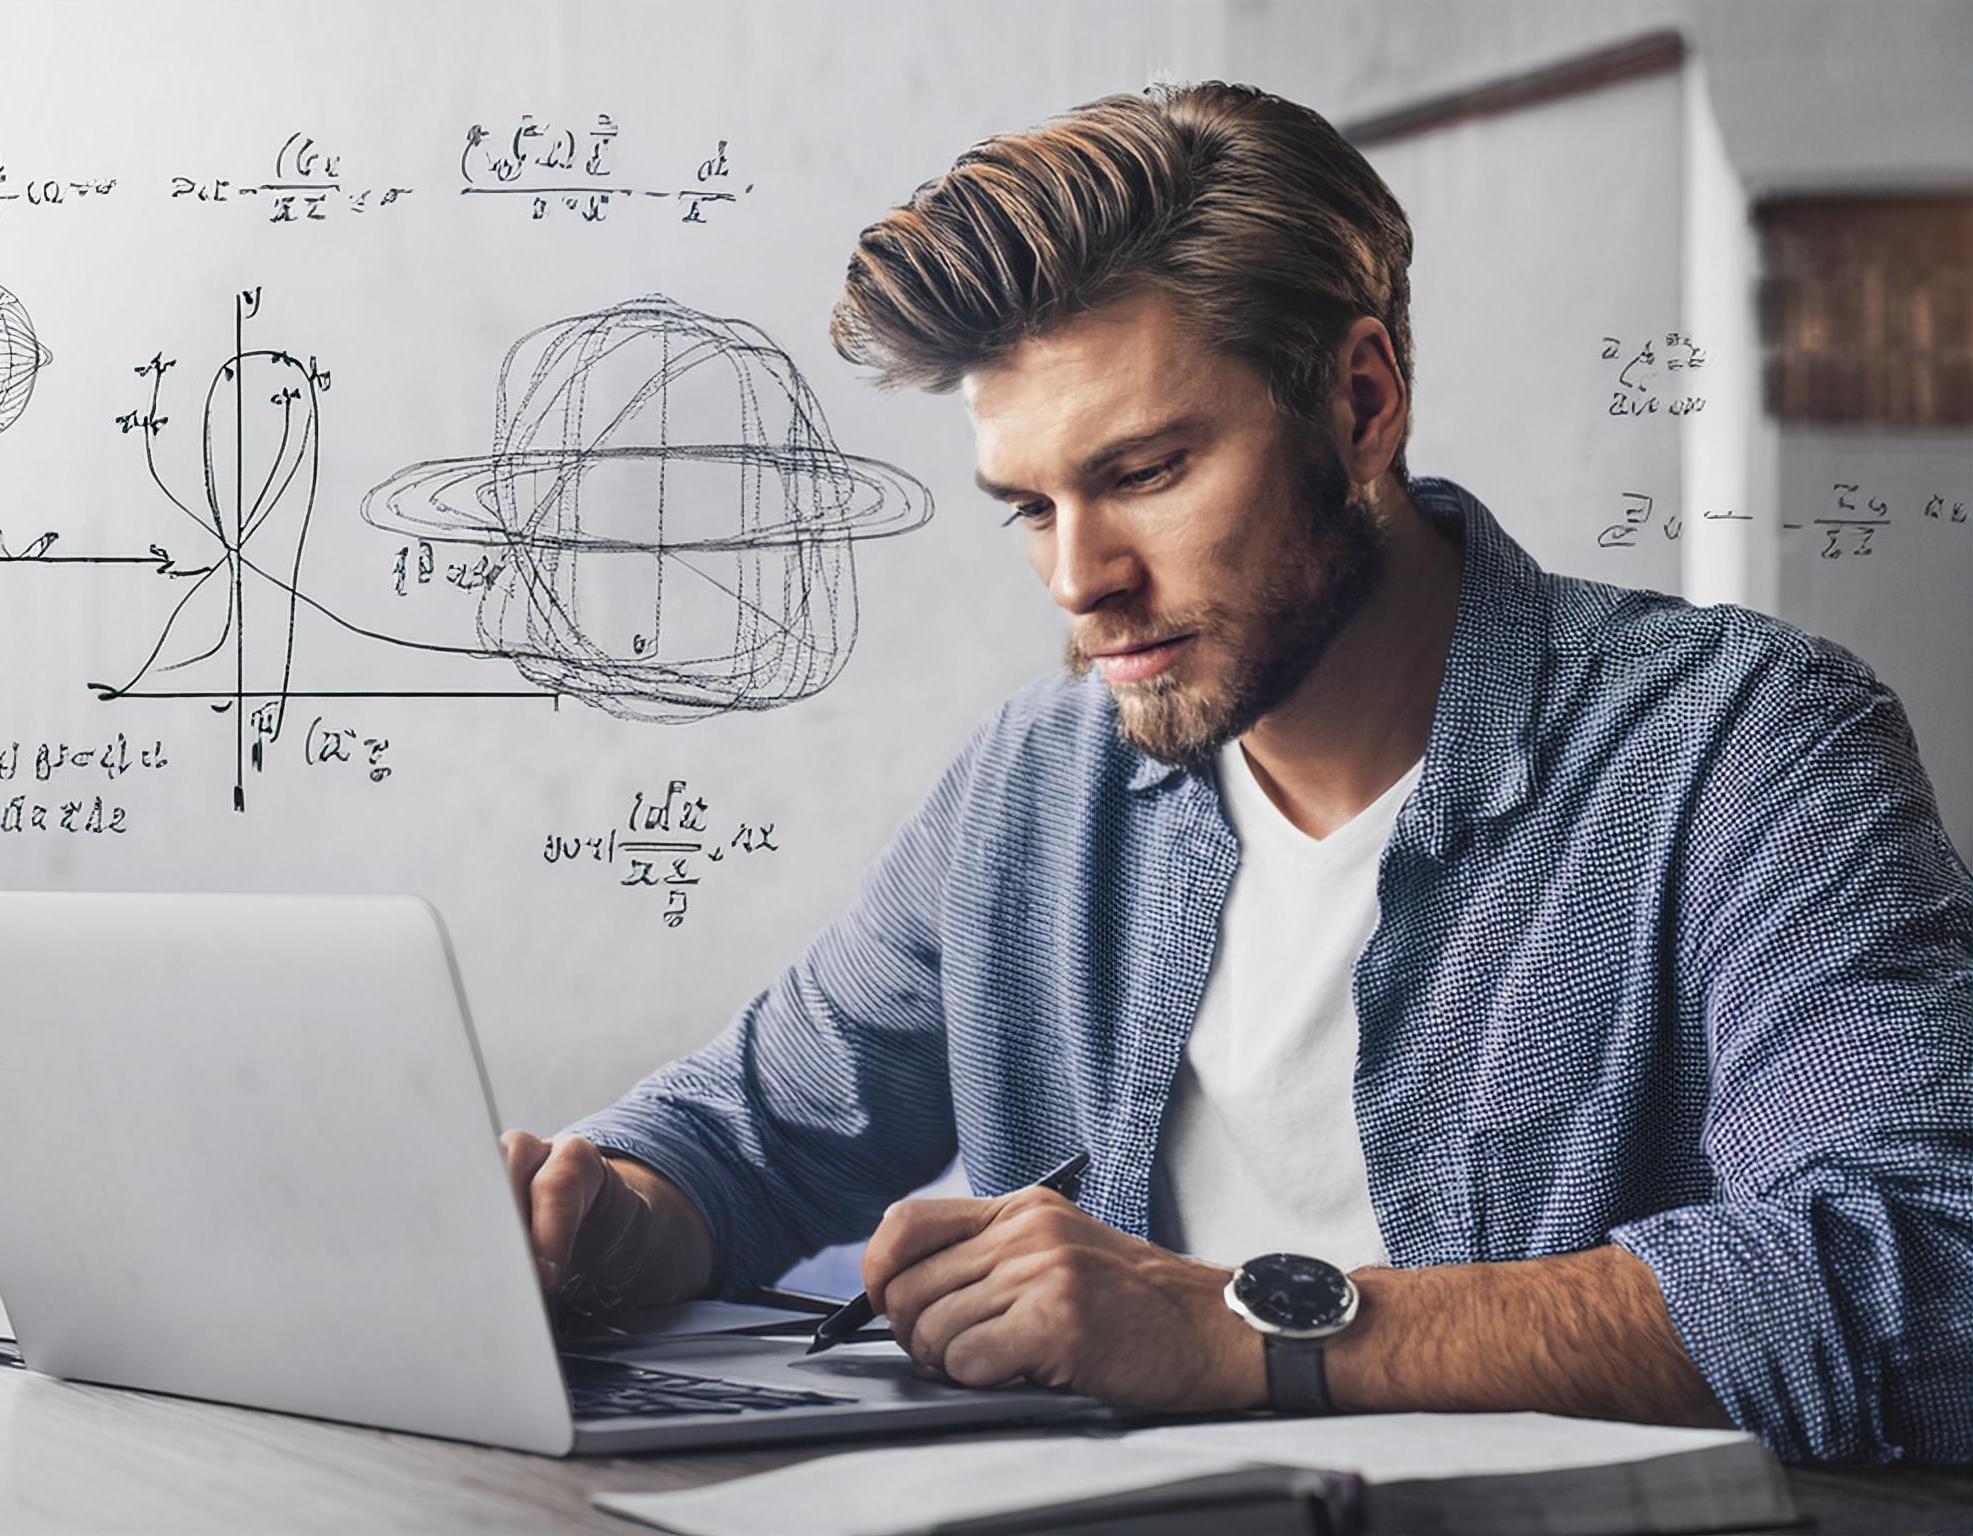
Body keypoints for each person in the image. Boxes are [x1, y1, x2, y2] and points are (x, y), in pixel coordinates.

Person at [499, 80, 1973, 1465]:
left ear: (1362, 404)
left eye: (1143, 474)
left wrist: (1243, 1325)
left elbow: (1926, 1277)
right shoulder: (1038, 785)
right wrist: (605, 1220)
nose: (1081, 580)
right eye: (1028, 506)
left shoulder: (1745, 748)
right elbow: (751, 1136)